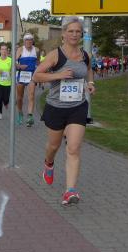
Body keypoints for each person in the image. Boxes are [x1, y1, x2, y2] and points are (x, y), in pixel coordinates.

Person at [33, 16, 95, 206]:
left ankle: (70, 191)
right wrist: (58, 75)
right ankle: (48, 163)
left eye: (78, 31)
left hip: (78, 106)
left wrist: (90, 83)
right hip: (56, 107)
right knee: (54, 146)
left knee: (74, 148)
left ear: (81, 34)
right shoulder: (55, 55)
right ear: (64, 34)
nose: (74, 34)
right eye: (71, 31)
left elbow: (88, 70)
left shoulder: (85, 55)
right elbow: (37, 75)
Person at [14, 33, 39, 127]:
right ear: (24, 41)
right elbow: (14, 63)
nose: (29, 41)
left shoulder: (37, 50)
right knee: (19, 97)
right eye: (27, 40)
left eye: (30, 40)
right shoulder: (20, 50)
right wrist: (20, 66)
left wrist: (39, 69)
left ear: (33, 41)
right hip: (21, 75)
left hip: (32, 76)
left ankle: (30, 116)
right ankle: (20, 112)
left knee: (31, 95)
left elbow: (38, 62)